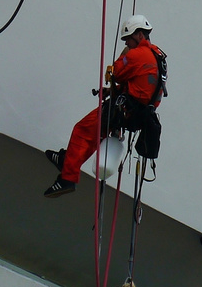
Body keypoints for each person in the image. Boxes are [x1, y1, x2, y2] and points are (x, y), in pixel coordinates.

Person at [43, 15, 166, 198]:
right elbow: (141, 84)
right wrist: (113, 91)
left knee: (82, 131)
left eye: (128, 40)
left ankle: (67, 179)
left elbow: (115, 73)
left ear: (139, 35)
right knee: (94, 135)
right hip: (140, 113)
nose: (127, 43)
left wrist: (124, 55)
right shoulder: (158, 55)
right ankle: (67, 160)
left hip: (124, 111)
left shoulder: (137, 54)